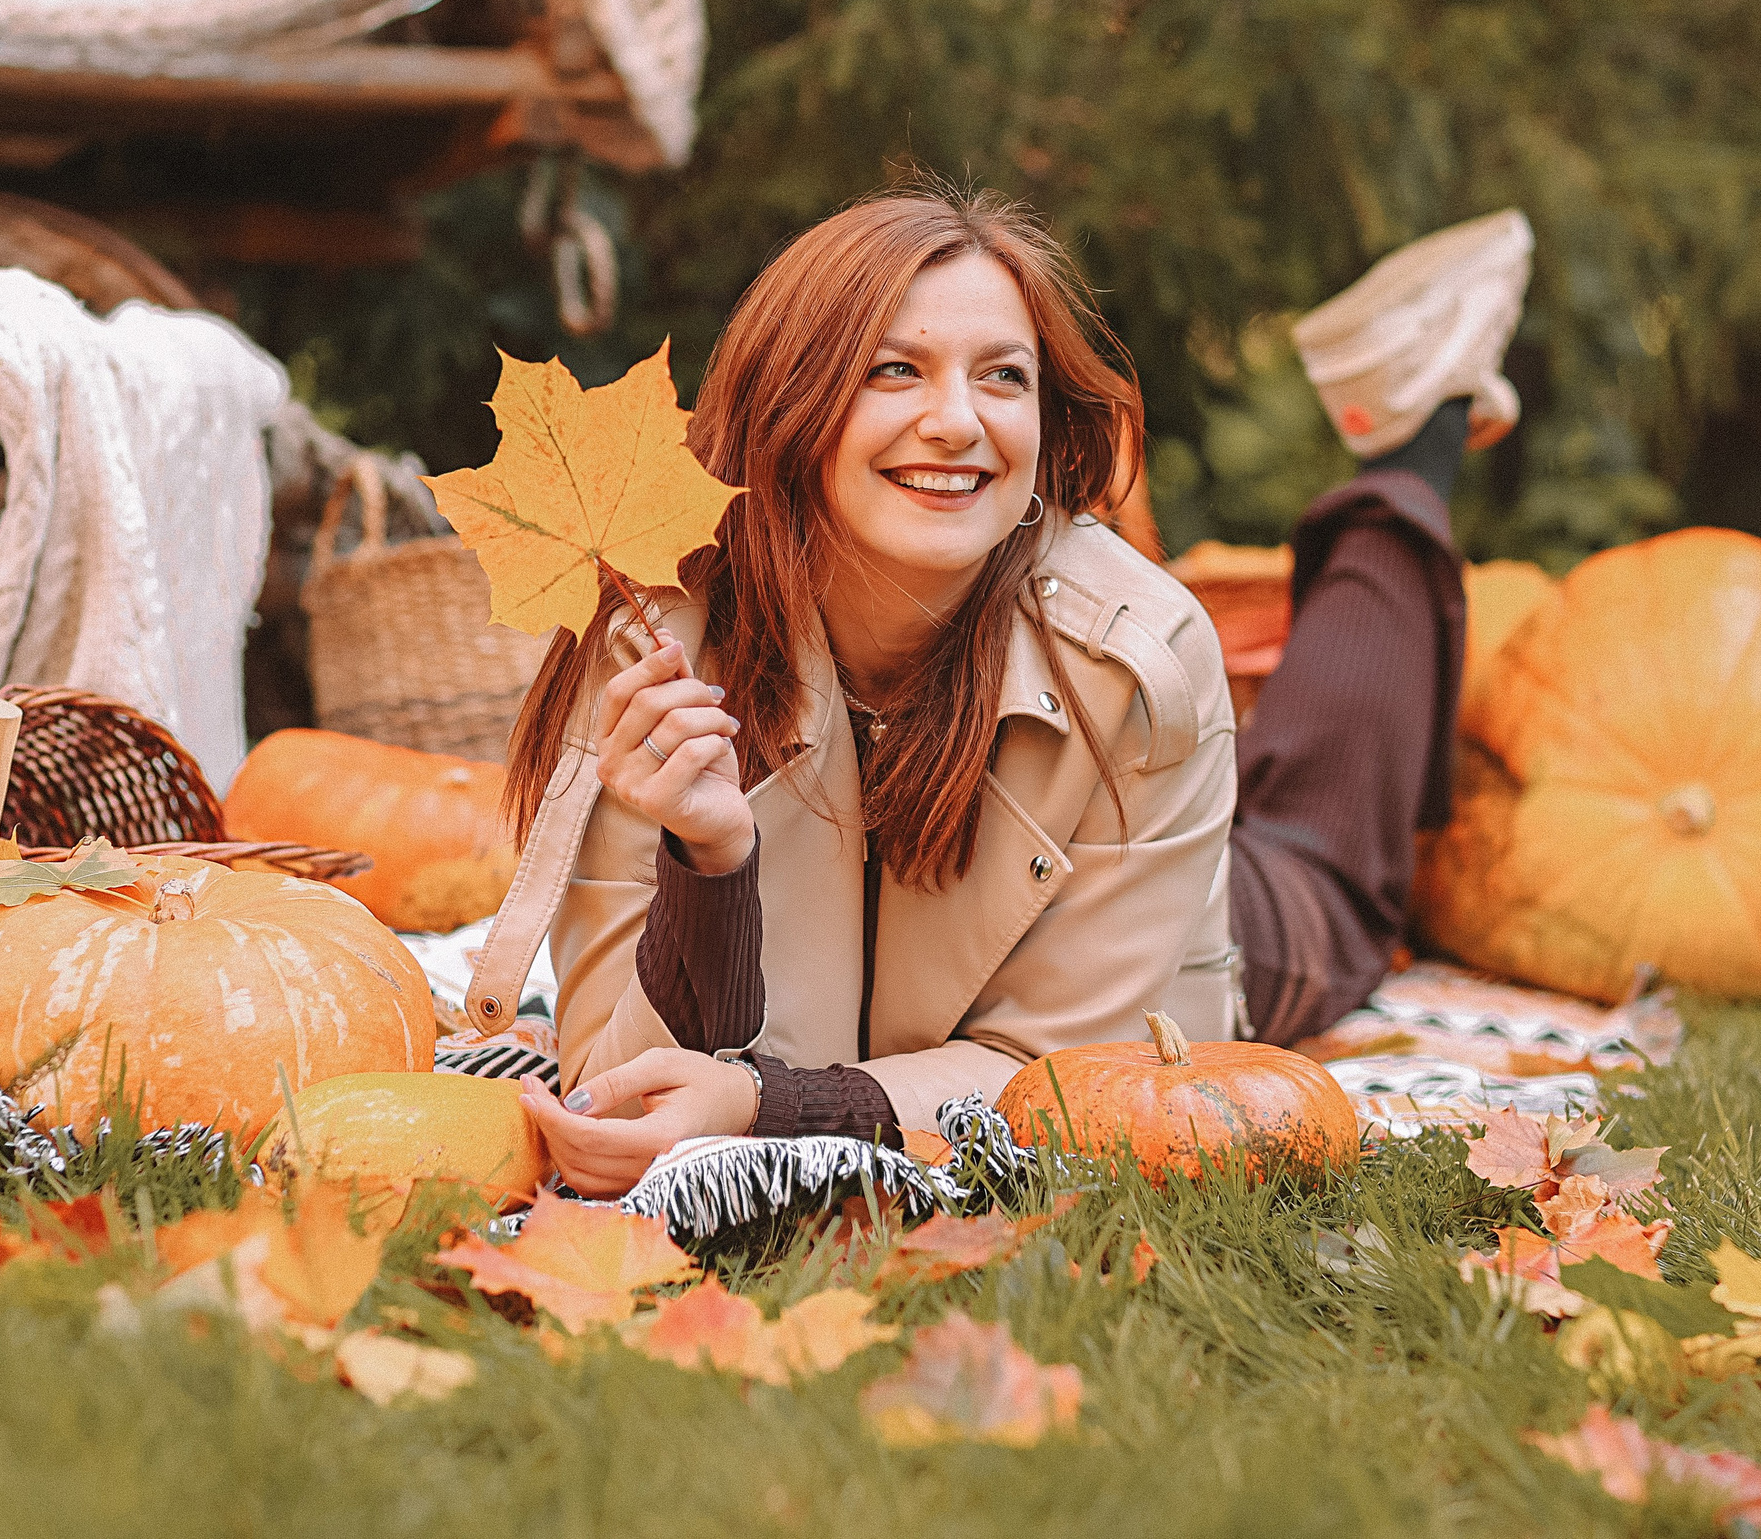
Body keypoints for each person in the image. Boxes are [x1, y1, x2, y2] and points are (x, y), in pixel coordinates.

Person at [480, 188, 1533, 1196]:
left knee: (1331, 844)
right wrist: (707, 863)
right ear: (791, 403)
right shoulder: (659, 654)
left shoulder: (1135, 652)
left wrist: (767, 1109)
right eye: (894, 371)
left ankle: (1411, 447)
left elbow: (1068, 1077)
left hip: (1166, 932)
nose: (956, 422)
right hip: (923, 1012)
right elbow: (611, 1083)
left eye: (1002, 377)